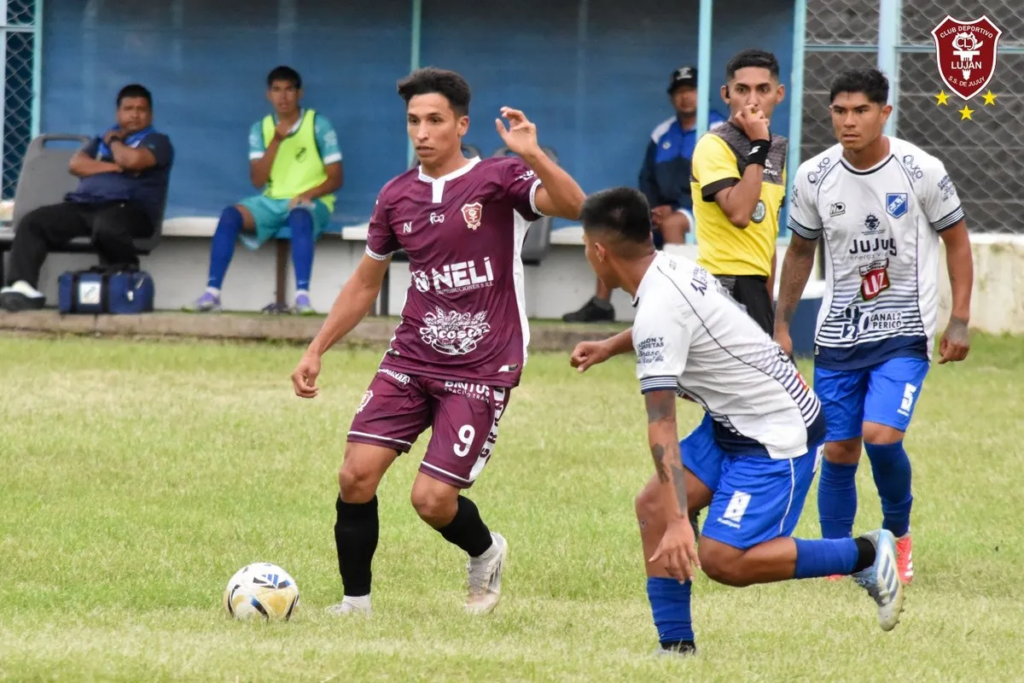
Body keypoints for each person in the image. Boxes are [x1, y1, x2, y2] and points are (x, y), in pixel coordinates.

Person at [289, 67, 586, 617]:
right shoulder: (396, 196)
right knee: (355, 475)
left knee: (431, 500)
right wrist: (316, 348)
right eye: (413, 121)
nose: (422, 133)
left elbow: (575, 205)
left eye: (434, 121)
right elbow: (365, 283)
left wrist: (533, 155)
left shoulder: (500, 178)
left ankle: (486, 551)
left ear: (461, 125)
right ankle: (355, 604)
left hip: (482, 366)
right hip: (411, 357)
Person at [569, 187, 904, 654]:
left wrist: (680, 522)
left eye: (586, 247)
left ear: (599, 251)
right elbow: (673, 324)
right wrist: (611, 346)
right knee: (653, 507)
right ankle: (676, 649)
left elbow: (661, 424)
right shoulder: (669, 268)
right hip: (735, 421)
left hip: (777, 433)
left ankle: (864, 554)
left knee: (724, 560)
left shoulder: (659, 305)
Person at [774, 68, 973, 585]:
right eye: (840, 111)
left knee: (881, 437)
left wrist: (959, 319)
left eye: (861, 110)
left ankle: (897, 537)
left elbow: (957, 241)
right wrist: (781, 326)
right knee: (839, 449)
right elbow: (799, 252)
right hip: (838, 336)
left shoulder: (920, 170)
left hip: (904, 331)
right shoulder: (814, 176)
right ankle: (838, 557)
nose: (849, 121)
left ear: (884, 112)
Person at [563, 66, 726, 323]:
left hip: (704, 210)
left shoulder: (719, 129)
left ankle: (679, 305)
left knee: (673, 224)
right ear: (672, 97)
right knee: (614, 224)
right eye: (679, 92)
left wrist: (676, 207)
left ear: (702, 93)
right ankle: (601, 304)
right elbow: (646, 178)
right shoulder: (662, 133)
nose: (685, 96)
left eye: (691, 90)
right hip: (663, 210)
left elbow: (719, 180)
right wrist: (651, 209)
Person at [0, 84, 173, 312]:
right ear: (118, 113)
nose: (134, 114)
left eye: (141, 109)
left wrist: (114, 142)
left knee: (107, 225)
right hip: (85, 205)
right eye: (128, 108)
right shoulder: (99, 140)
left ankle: (125, 275)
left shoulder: (157, 142)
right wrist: (116, 168)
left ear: (150, 115)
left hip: (131, 210)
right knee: (35, 221)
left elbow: (131, 160)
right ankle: (22, 288)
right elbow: (77, 165)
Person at [186, 66, 343, 315]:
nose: (283, 96)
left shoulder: (318, 124)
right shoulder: (261, 128)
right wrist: (277, 141)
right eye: (277, 90)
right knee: (230, 215)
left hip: (313, 202)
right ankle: (212, 294)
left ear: (300, 93)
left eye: (289, 89)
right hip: (272, 201)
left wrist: (307, 195)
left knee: (300, 215)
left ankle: (302, 298)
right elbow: (258, 180)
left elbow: (336, 178)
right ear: (268, 95)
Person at [690, 48, 788, 336]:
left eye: (763, 90)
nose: (752, 100)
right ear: (726, 94)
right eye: (742, 90)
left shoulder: (776, 148)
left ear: (779, 94)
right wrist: (759, 146)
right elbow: (740, 213)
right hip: (724, 282)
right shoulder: (714, 145)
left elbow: (766, 236)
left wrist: (770, 314)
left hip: (756, 287)